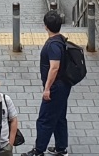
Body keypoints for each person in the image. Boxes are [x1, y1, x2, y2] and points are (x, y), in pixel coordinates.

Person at [26, 10, 70, 156]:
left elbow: (54, 67)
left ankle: (39, 151)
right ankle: (61, 148)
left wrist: (47, 88)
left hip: (55, 87)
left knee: (44, 119)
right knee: (59, 117)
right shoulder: (61, 39)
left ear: (46, 26)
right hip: (64, 85)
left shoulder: (53, 45)